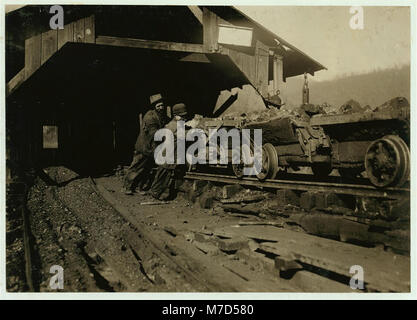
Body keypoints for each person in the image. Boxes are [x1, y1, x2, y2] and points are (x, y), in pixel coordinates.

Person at [122, 93, 169, 195]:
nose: (161, 107)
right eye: (158, 106)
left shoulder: (161, 116)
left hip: (151, 148)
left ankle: (139, 187)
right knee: (136, 168)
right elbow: (154, 133)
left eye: (162, 105)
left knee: (146, 169)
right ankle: (128, 187)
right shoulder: (150, 117)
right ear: (154, 107)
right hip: (144, 147)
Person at [150, 103, 189, 201]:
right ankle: (155, 192)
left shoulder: (177, 123)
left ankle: (157, 192)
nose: (184, 118)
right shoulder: (173, 125)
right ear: (176, 115)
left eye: (185, 116)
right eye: (182, 116)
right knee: (162, 174)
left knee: (165, 174)